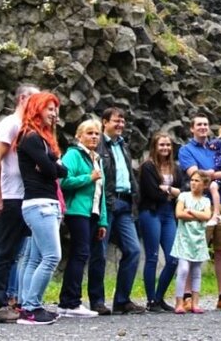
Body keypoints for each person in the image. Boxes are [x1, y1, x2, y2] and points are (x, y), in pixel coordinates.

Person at [0, 83, 39, 324]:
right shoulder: (10, 124)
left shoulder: (30, 127)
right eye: (36, 100)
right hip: (12, 197)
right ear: (23, 99)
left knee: (21, 252)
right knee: (4, 251)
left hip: (27, 197)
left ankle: (13, 299)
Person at [14, 92, 67, 325]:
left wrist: (52, 166)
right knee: (52, 256)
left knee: (35, 259)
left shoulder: (42, 139)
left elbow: (57, 170)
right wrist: (52, 166)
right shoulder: (30, 137)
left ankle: (27, 306)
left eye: (55, 109)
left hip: (46, 203)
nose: (54, 113)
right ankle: (31, 308)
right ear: (37, 109)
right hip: (40, 204)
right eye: (49, 109)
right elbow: (51, 170)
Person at [177, 115, 221, 312]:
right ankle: (187, 297)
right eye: (199, 125)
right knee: (193, 250)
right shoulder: (186, 150)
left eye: (206, 124)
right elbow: (197, 176)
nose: (203, 127)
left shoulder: (218, 146)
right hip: (199, 204)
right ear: (192, 129)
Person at [88, 107, 145, 314]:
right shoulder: (98, 143)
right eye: (116, 121)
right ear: (104, 122)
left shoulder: (123, 146)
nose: (120, 125)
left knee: (133, 250)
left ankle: (122, 300)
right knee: (99, 254)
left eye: (122, 122)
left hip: (125, 203)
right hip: (107, 204)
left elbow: (127, 174)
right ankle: (97, 301)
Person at [57, 118, 108, 318]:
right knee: (79, 254)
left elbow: (100, 192)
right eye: (89, 133)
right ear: (79, 136)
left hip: (92, 213)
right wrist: (88, 178)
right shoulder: (73, 155)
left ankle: (70, 300)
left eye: (97, 133)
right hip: (76, 211)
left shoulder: (97, 159)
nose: (94, 136)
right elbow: (63, 181)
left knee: (83, 255)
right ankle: (70, 301)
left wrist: (103, 220)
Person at [138, 132, 181, 312]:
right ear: (155, 147)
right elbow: (151, 193)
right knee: (152, 256)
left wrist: (167, 189)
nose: (165, 148)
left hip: (168, 214)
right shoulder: (147, 167)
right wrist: (171, 193)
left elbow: (183, 190)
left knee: (173, 258)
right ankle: (151, 300)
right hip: (151, 212)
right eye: (161, 145)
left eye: (168, 145)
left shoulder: (175, 167)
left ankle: (159, 297)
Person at [171, 171, 213, 314]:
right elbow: (179, 214)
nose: (193, 183)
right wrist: (198, 216)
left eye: (197, 181)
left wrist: (191, 212)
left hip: (198, 240)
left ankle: (195, 302)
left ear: (204, 185)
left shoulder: (206, 201)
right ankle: (179, 302)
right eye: (192, 180)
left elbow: (207, 215)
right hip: (184, 238)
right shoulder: (184, 196)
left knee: (196, 271)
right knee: (183, 269)